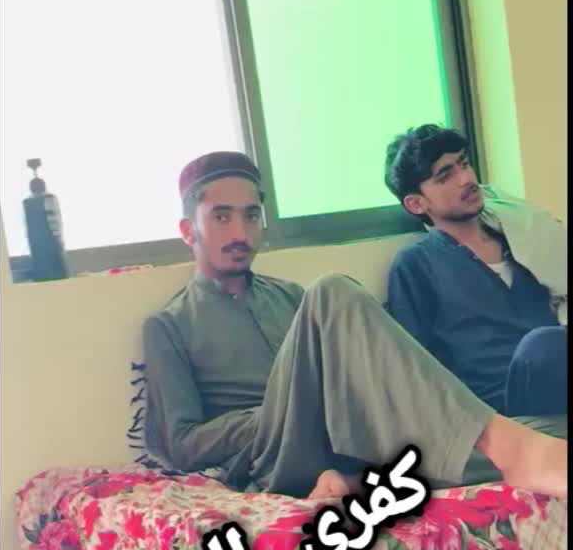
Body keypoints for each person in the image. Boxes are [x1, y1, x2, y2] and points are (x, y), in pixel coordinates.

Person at [143, 150, 567, 504]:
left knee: (547, 428)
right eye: (221, 217)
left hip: (338, 442)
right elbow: (180, 444)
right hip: (271, 456)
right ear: (188, 230)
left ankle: (360, 479)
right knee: (333, 289)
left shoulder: (290, 297)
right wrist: (282, 411)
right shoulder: (169, 325)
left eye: (251, 216)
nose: (240, 232)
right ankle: (507, 446)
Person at [384, 124, 567, 416]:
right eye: (445, 175)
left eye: (465, 163)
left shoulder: (523, 242)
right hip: (501, 410)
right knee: (543, 345)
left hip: (558, 386)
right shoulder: (416, 264)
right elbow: (414, 370)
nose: (467, 179)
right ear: (416, 204)